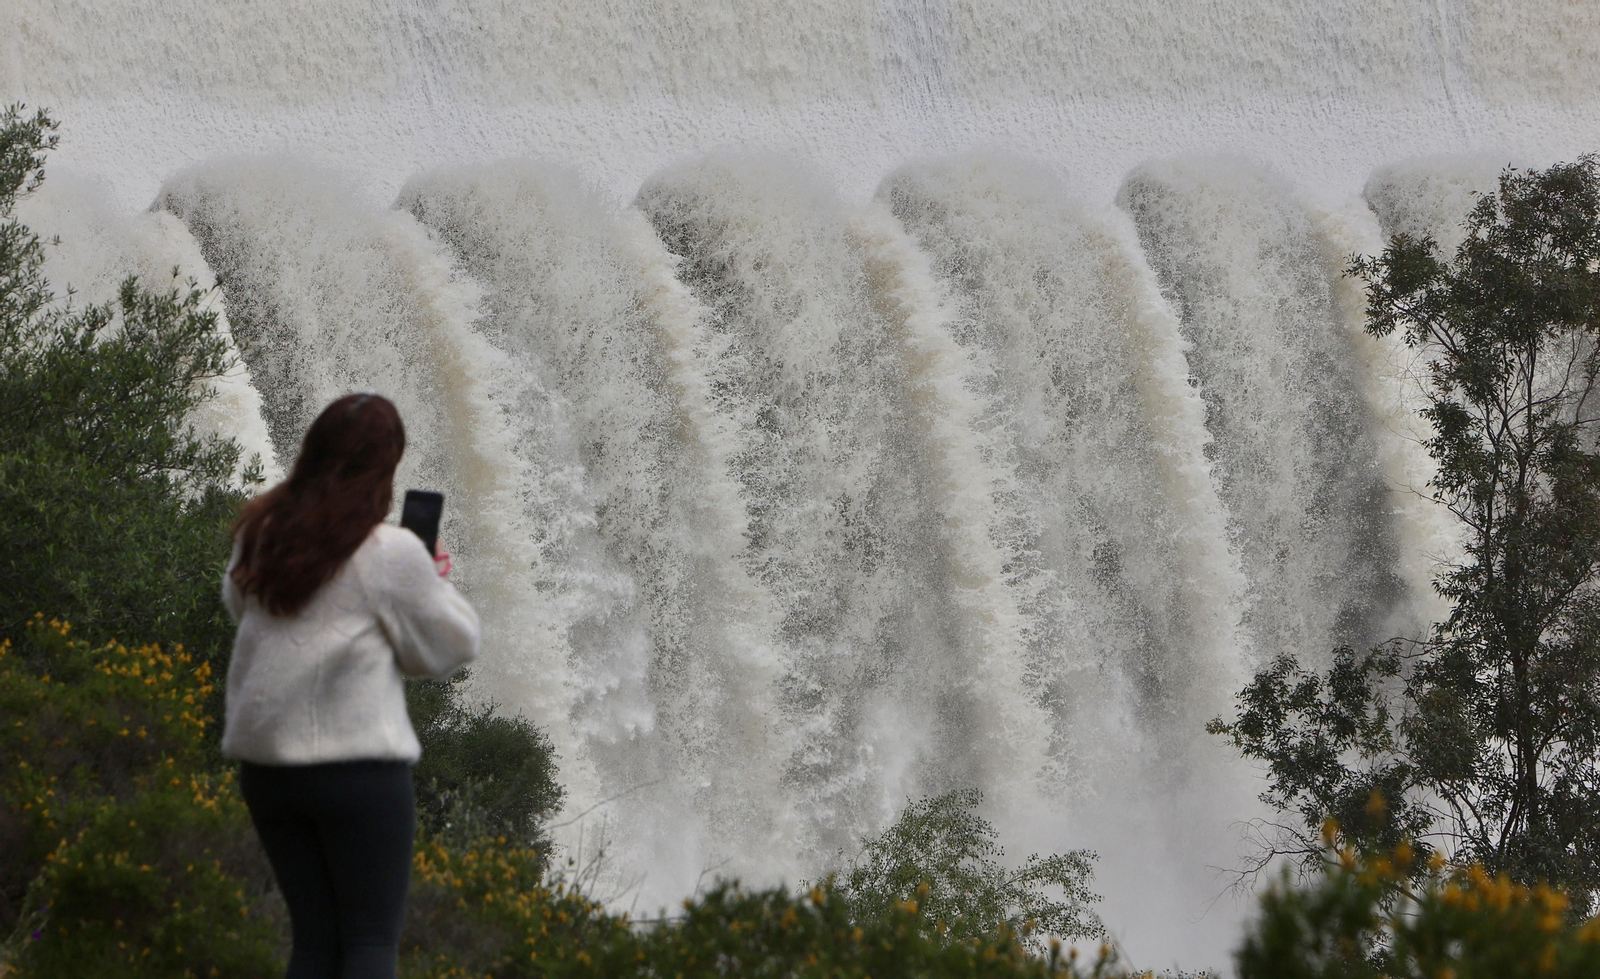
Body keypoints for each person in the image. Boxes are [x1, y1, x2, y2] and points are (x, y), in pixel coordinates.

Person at [221, 393, 480, 979]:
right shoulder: (388, 553)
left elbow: (243, 608)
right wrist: (430, 578)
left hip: (268, 771)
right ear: (385, 469)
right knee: (368, 943)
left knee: (314, 944)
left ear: (312, 452)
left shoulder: (260, 531)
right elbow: (449, 646)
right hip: (356, 772)